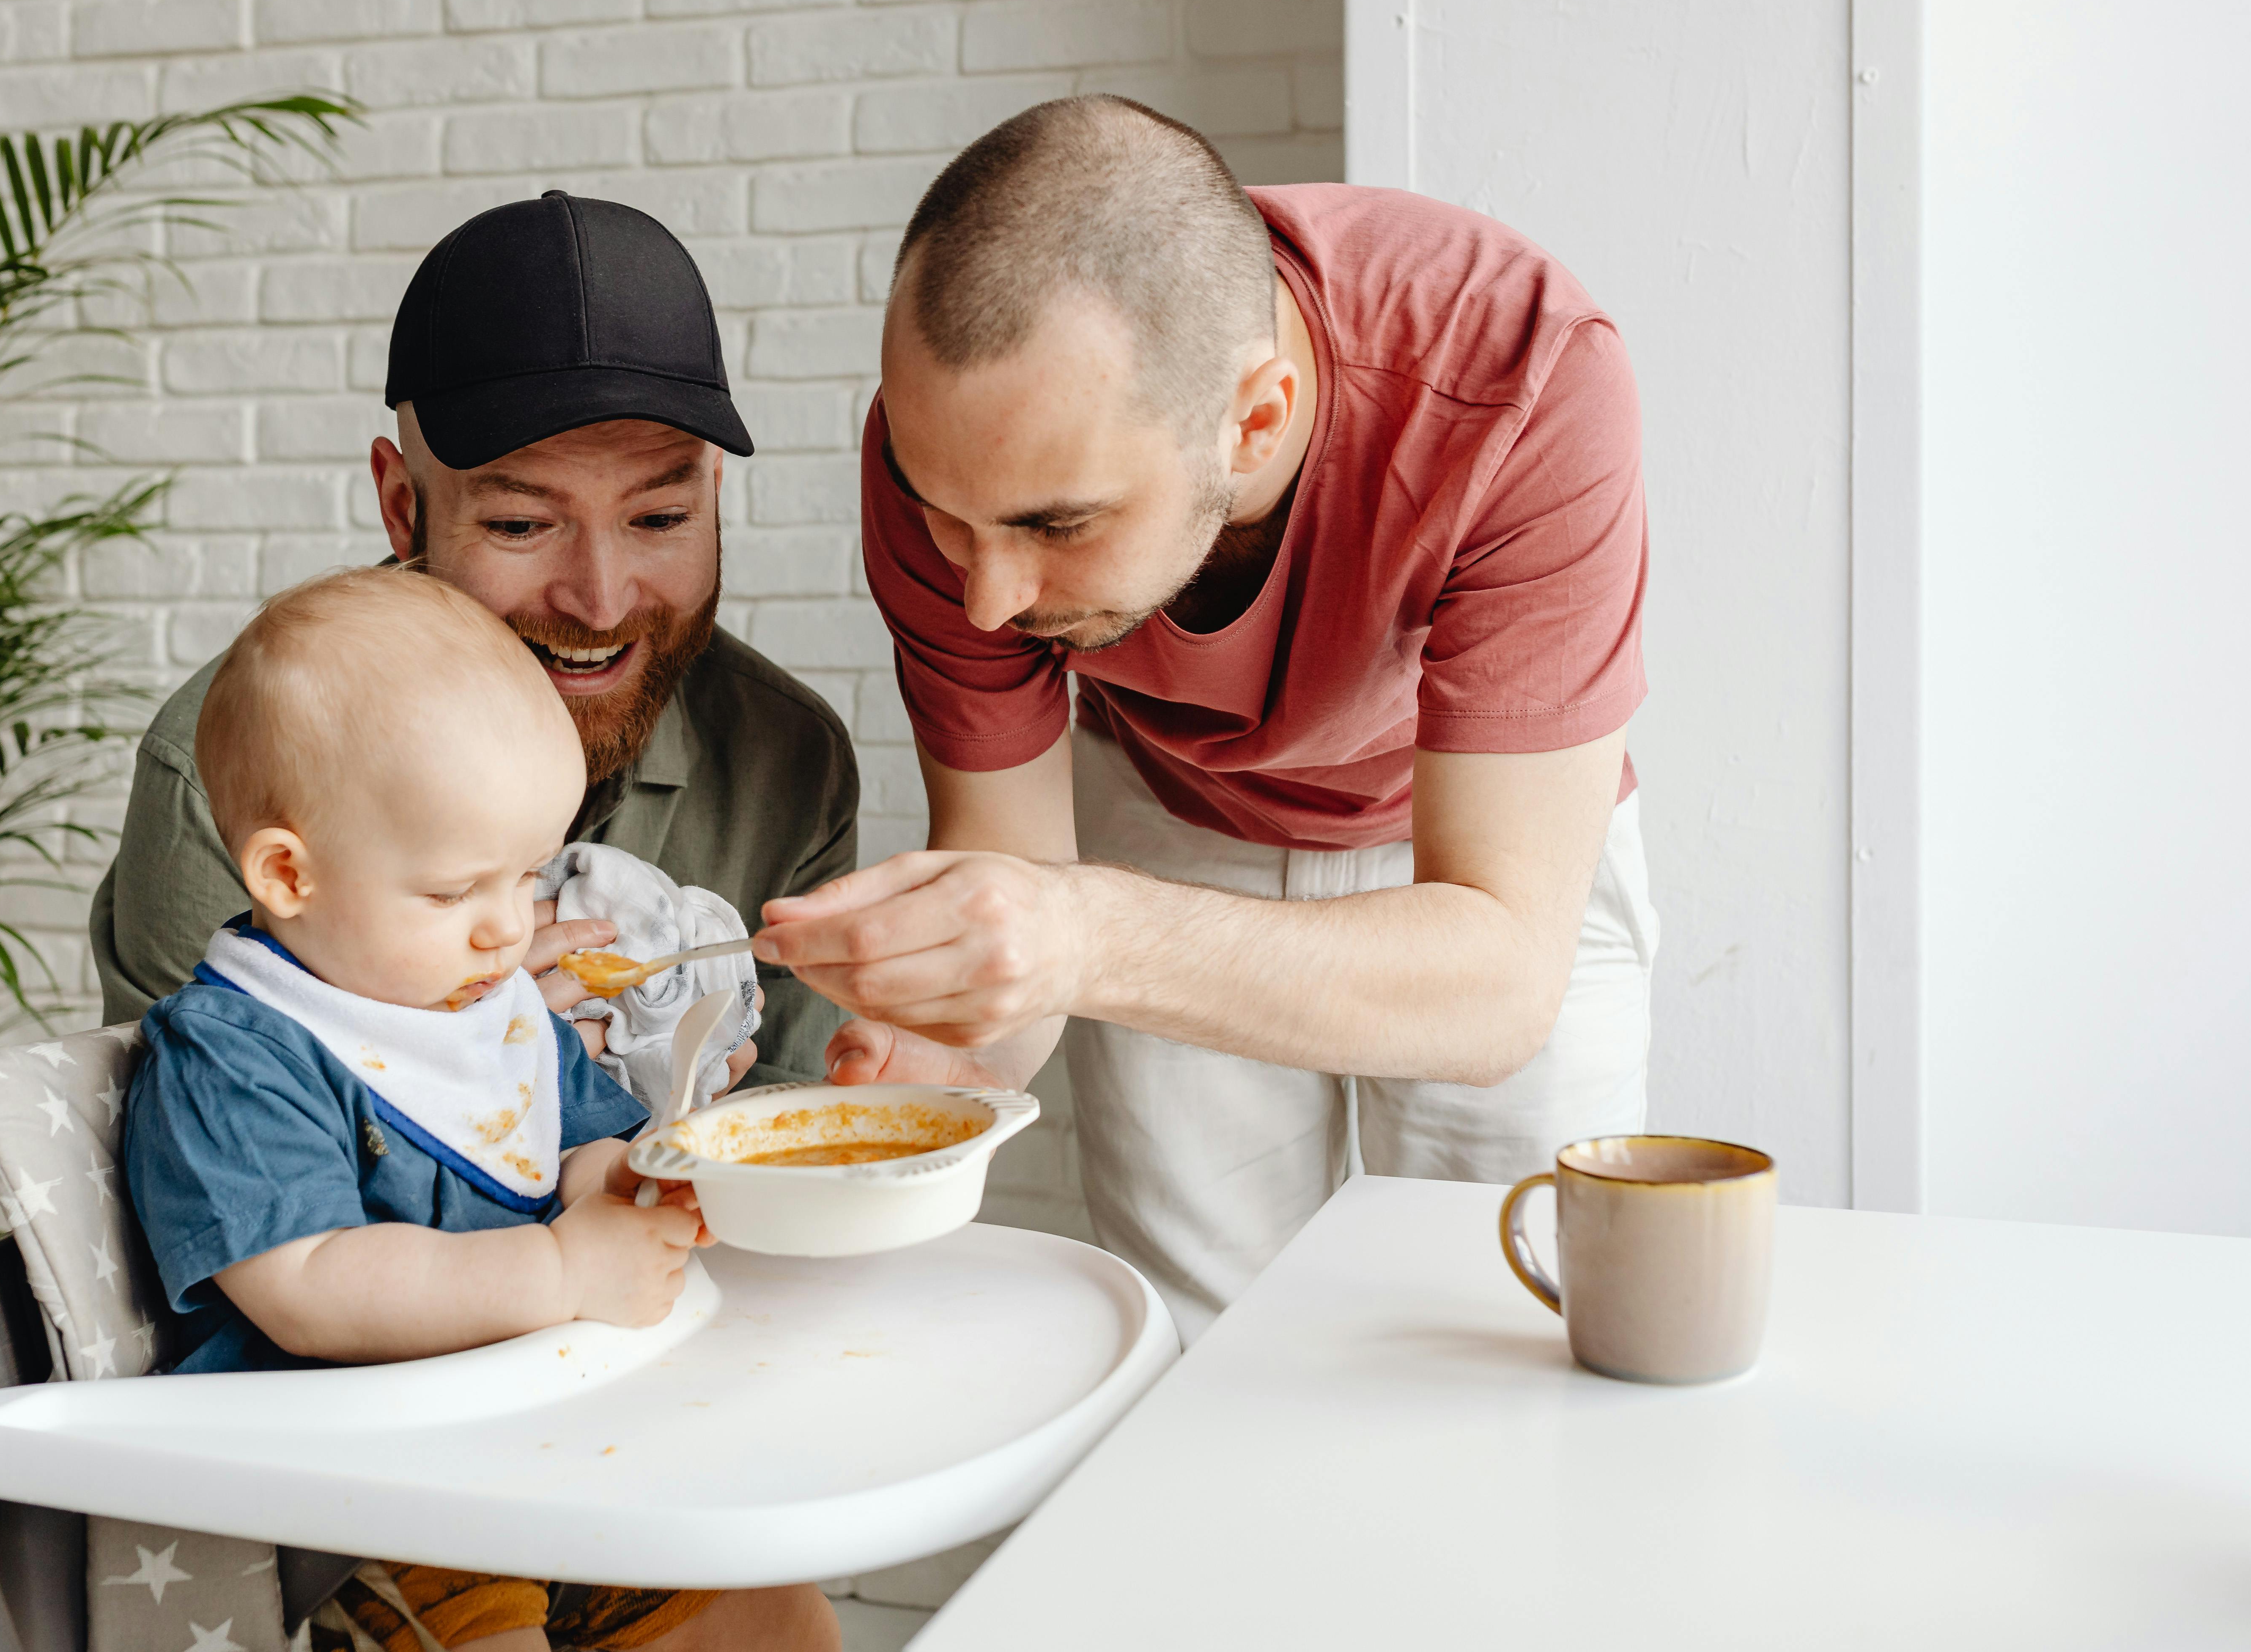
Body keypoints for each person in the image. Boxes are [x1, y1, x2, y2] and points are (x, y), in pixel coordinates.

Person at [759, 98, 1661, 1340]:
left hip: (1490, 852)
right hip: (1166, 812)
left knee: (1507, 1329)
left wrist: (1078, 939)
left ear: (1254, 417)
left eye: (1057, 526)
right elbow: (1018, 864)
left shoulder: (1522, 378)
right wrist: (968, 1037)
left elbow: (1500, 984)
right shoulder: (961, 464)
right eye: (945, 519)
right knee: (1201, 1351)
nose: (987, 593)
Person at [123, 567, 838, 1652]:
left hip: (536, 1432)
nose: (510, 930)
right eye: (457, 892)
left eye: (531, 874)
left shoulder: (476, 1005)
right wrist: (561, 1270)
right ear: (288, 873)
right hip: (354, 1488)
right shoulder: (235, 1051)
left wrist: (629, 1190)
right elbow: (310, 1287)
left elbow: (582, 1137)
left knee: (768, 1605)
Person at [91, 191, 858, 1083]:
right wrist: (436, 1056)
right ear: (401, 505)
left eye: (658, 516)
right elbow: (185, 1195)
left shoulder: (787, 762)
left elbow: (803, 1150)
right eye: (522, 526)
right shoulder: (228, 775)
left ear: (714, 494)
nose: (602, 604)